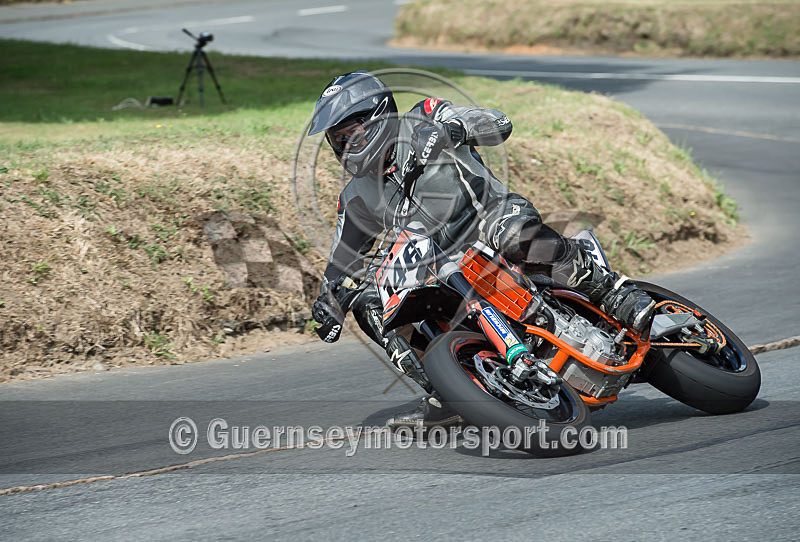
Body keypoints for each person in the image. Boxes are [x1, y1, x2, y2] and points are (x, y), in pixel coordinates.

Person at [308, 71, 655, 427]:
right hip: (440, 266)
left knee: (515, 236)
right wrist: (330, 303)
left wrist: (451, 130)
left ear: (379, 116)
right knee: (370, 305)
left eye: (353, 133)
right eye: (339, 138)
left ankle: (614, 292)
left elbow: (498, 122)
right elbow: (341, 263)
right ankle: (448, 393)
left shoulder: (424, 116)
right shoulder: (355, 198)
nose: (346, 145)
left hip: (491, 218)